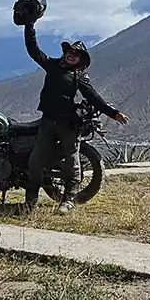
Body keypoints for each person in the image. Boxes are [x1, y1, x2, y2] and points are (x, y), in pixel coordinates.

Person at [21, 20, 127, 213]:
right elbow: (33, 50)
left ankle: (68, 200)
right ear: (65, 53)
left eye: (76, 54)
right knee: (36, 160)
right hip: (47, 121)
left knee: (71, 161)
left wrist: (113, 113)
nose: (72, 54)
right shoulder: (52, 65)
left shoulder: (79, 77)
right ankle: (30, 202)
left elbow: (93, 97)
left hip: (67, 124)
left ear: (80, 60)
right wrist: (29, 26)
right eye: (70, 51)